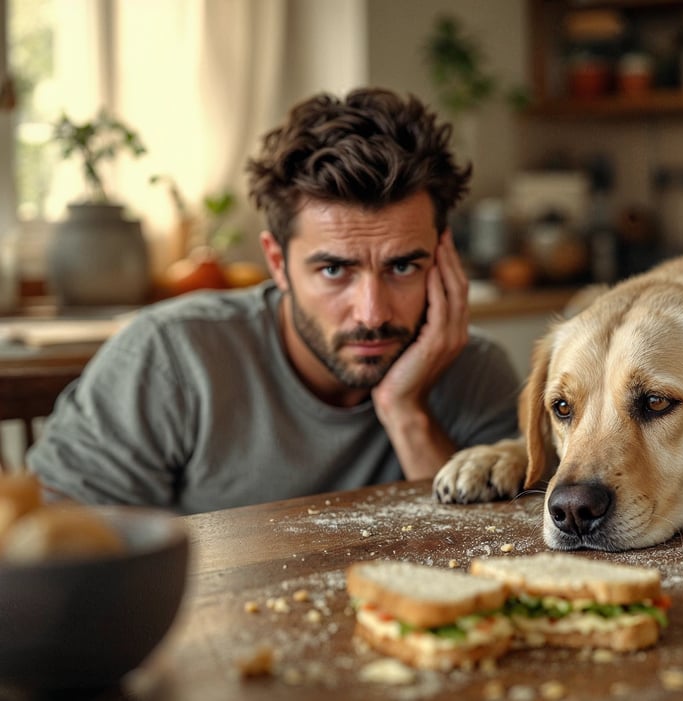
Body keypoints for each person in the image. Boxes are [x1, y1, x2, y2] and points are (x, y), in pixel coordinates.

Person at [27, 88, 521, 513]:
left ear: (442, 256)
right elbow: (61, 546)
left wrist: (405, 411)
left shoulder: (475, 373)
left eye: (402, 267)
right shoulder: (171, 357)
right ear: (278, 262)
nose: (372, 313)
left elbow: (492, 570)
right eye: (334, 270)